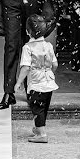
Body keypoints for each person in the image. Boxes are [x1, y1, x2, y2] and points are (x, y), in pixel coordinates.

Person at [14, 14, 58, 143]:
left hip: (36, 83)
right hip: (49, 82)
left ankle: (42, 134)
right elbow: (55, 64)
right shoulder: (49, 45)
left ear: (28, 31)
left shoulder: (28, 47)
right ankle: (38, 129)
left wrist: (18, 82)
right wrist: (49, 73)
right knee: (43, 107)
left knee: (36, 108)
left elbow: (26, 67)